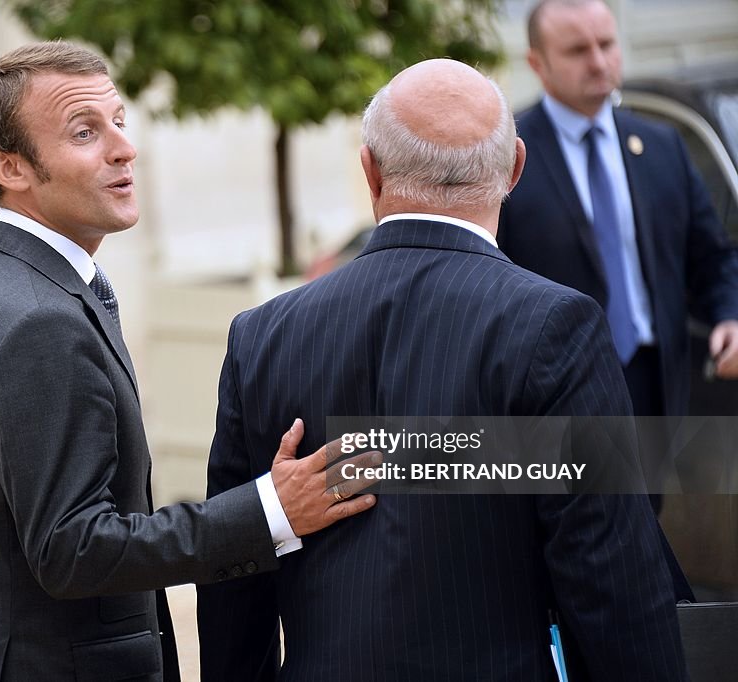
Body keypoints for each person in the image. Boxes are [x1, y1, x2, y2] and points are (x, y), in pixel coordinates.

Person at [0, 41, 376, 681]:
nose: (124, 148)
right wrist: (271, 511)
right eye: (84, 132)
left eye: (119, 121)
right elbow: (73, 550)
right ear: (10, 167)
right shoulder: (41, 321)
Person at [196, 59, 686, 680]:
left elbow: (234, 571)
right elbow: (610, 573)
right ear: (515, 170)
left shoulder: (261, 335)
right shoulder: (553, 326)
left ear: (369, 170)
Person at [499, 0, 738, 421]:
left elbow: (712, 256)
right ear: (537, 63)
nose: (598, 61)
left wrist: (729, 314)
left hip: (658, 384)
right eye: (577, 50)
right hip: (555, 395)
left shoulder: (663, 146)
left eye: (606, 44)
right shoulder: (509, 155)